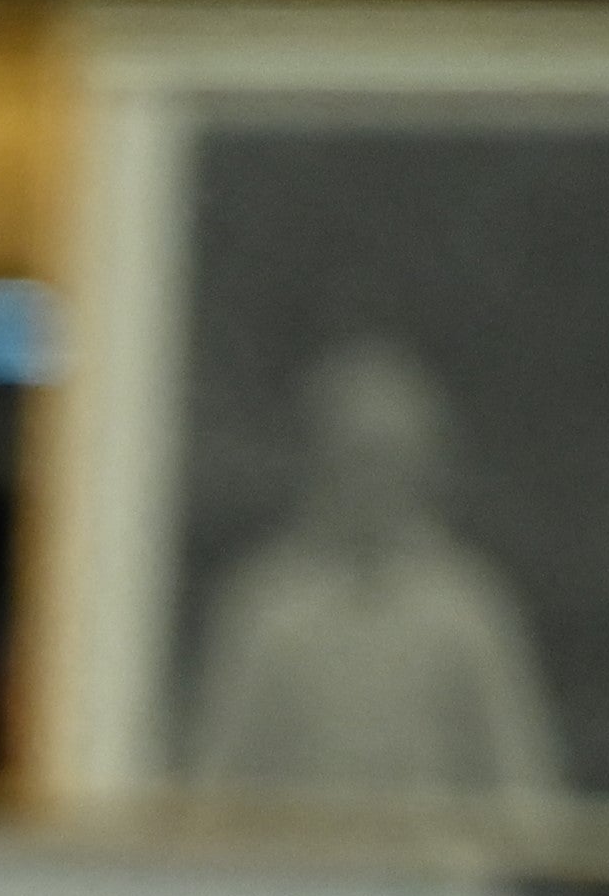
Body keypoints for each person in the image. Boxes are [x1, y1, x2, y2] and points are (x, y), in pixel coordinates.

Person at [182, 341, 566, 818]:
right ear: (318, 460)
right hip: (296, 879)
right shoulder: (267, 608)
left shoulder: (468, 611)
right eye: (356, 457)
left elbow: (523, 794)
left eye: (393, 459)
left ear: (428, 468)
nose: (374, 481)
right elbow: (213, 792)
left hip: (434, 884)